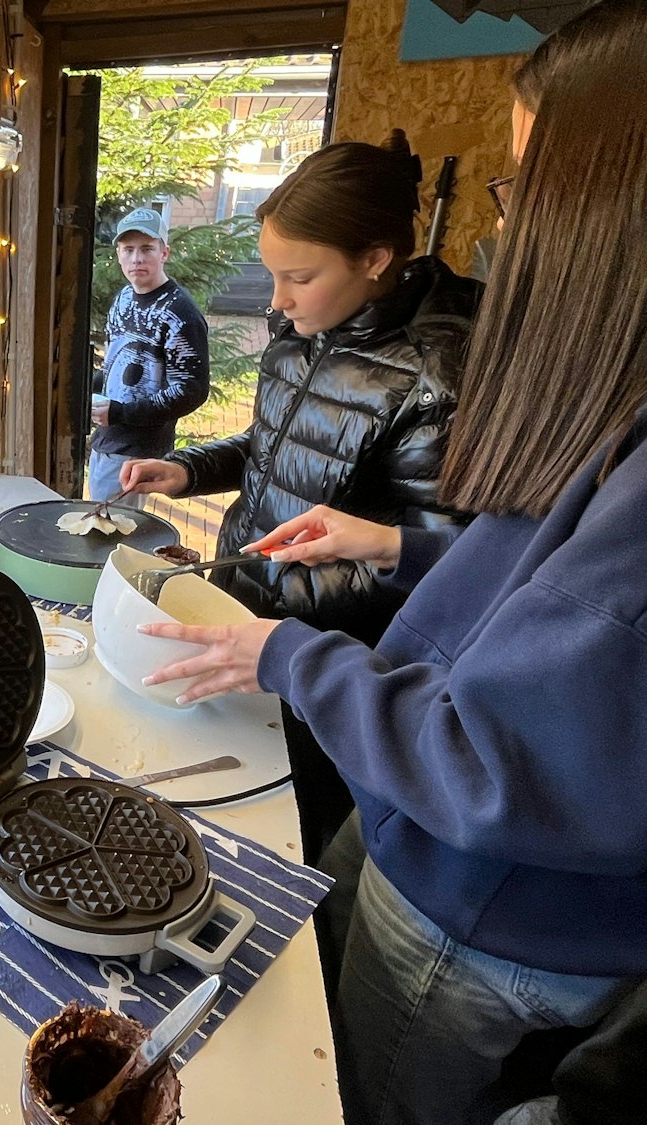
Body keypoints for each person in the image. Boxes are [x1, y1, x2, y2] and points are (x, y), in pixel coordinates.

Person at [137, 1, 647, 1121]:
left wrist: (286, 657)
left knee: (352, 1092)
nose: (519, 226)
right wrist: (399, 552)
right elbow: (590, 609)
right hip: (444, 833)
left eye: (531, 181)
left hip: (488, 894)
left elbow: (515, 764)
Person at [119, 131, 479, 867]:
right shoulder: (301, 333)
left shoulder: (435, 374)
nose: (276, 301)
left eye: (300, 277)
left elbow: (439, 567)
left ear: (375, 260)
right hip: (246, 619)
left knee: (279, 838)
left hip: (325, 662)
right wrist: (186, 470)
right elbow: (271, 445)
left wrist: (277, 614)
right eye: (273, 275)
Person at [86, 206, 210, 505]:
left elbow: (190, 391)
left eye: (146, 249)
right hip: (107, 438)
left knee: (108, 532)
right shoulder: (123, 299)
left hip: (137, 448)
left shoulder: (180, 312)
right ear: (118, 254)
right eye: (128, 250)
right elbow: (115, 365)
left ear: (164, 253)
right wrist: (87, 388)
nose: (136, 259)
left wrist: (120, 413)